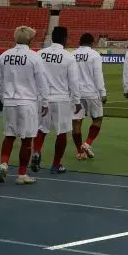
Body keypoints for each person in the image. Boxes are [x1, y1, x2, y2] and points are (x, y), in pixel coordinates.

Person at [0, 26, 48, 185]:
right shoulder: (34, 57)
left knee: (9, 136)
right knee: (27, 140)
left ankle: (4, 164)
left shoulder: (4, 56)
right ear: (30, 40)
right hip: (28, 102)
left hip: (10, 101)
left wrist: (4, 99)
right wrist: (44, 102)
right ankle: (22, 174)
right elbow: (42, 82)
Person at [32, 26, 82, 174]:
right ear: (65, 39)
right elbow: (74, 82)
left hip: (43, 98)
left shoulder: (39, 54)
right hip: (61, 98)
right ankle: (56, 164)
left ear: (52, 38)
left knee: (41, 129)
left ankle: (37, 151)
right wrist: (77, 101)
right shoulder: (68, 56)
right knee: (62, 132)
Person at [72, 33, 107, 160]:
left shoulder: (72, 54)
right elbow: (98, 75)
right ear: (92, 43)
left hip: (76, 94)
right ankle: (87, 143)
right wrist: (102, 93)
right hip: (91, 92)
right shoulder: (94, 55)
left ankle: (80, 152)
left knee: (76, 122)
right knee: (97, 119)